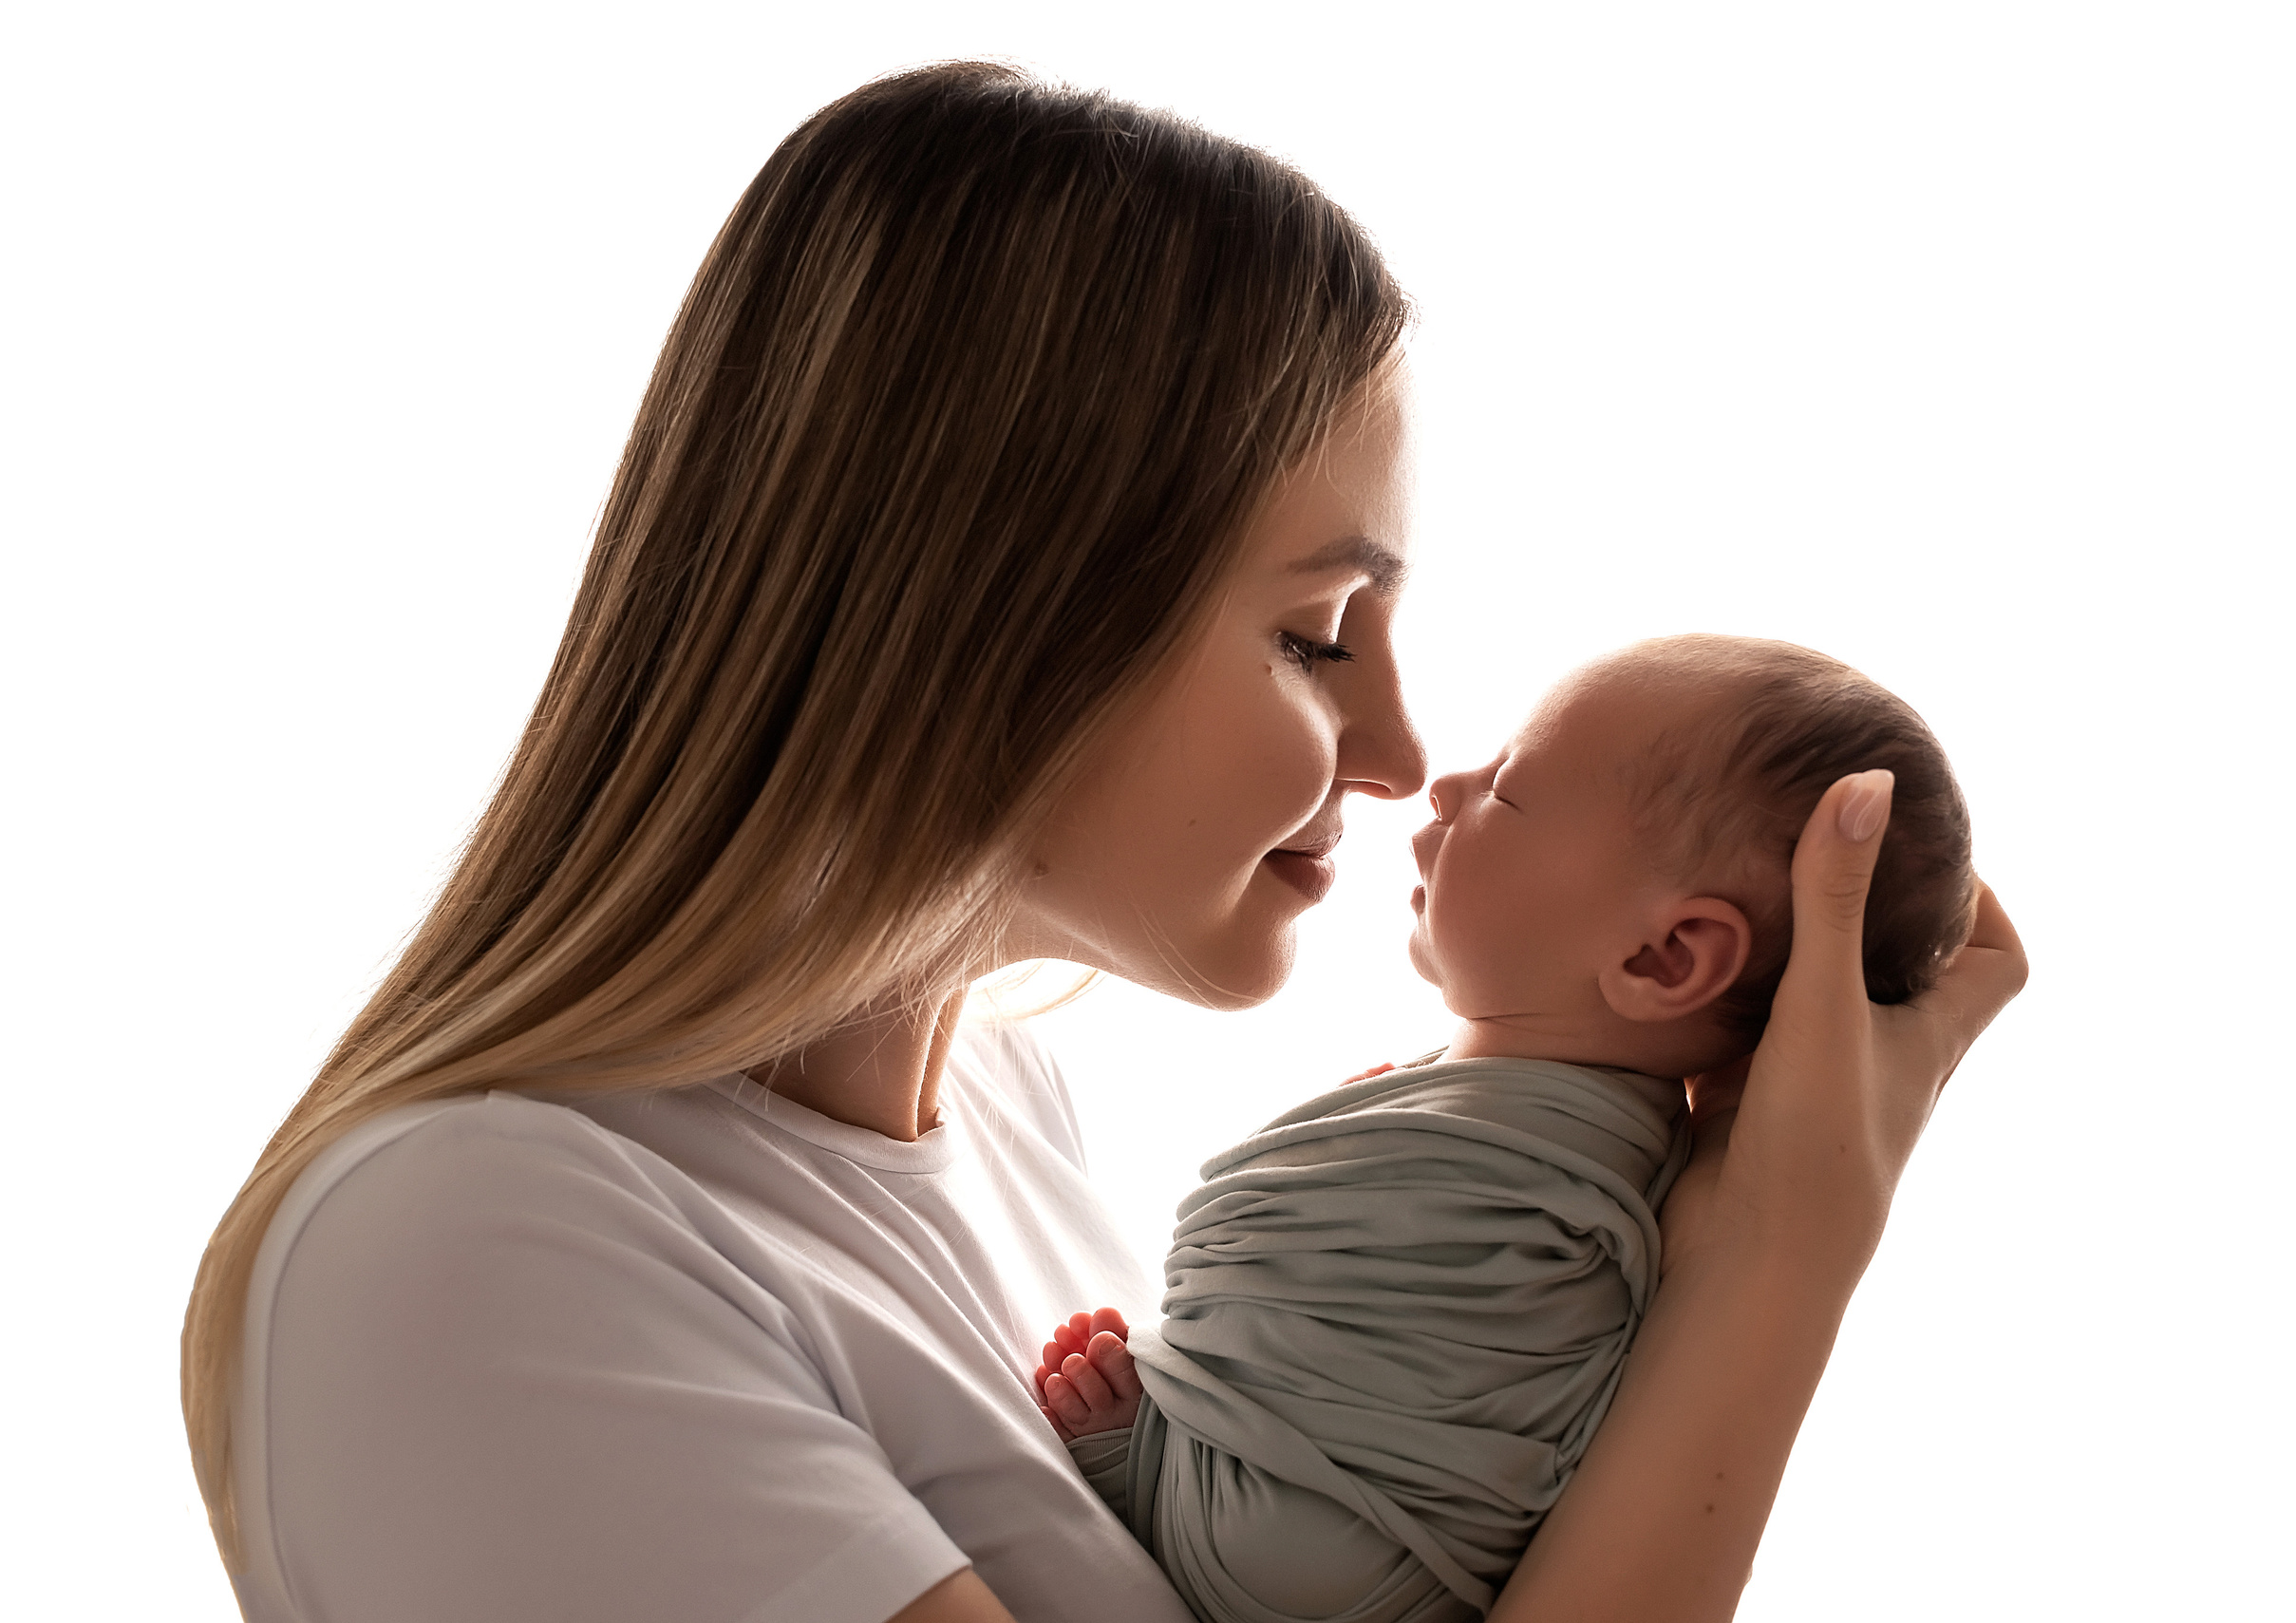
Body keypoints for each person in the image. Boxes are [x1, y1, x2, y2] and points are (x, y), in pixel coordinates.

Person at [179, 62, 2026, 1623]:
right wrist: (1776, 1259)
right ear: (983, 616)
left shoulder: (1006, 1121)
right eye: (1315, 635)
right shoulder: (482, 1248)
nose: (1395, 751)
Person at [1029, 636, 1978, 1623]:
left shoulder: (1554, 1157)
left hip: (1298, 1549)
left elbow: (1331, 1265)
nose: (1442, 785)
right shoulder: (1587, 1148)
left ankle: (1163, 1459)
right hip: (1356, 1545)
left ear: (1664, 956)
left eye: (1507, 788)